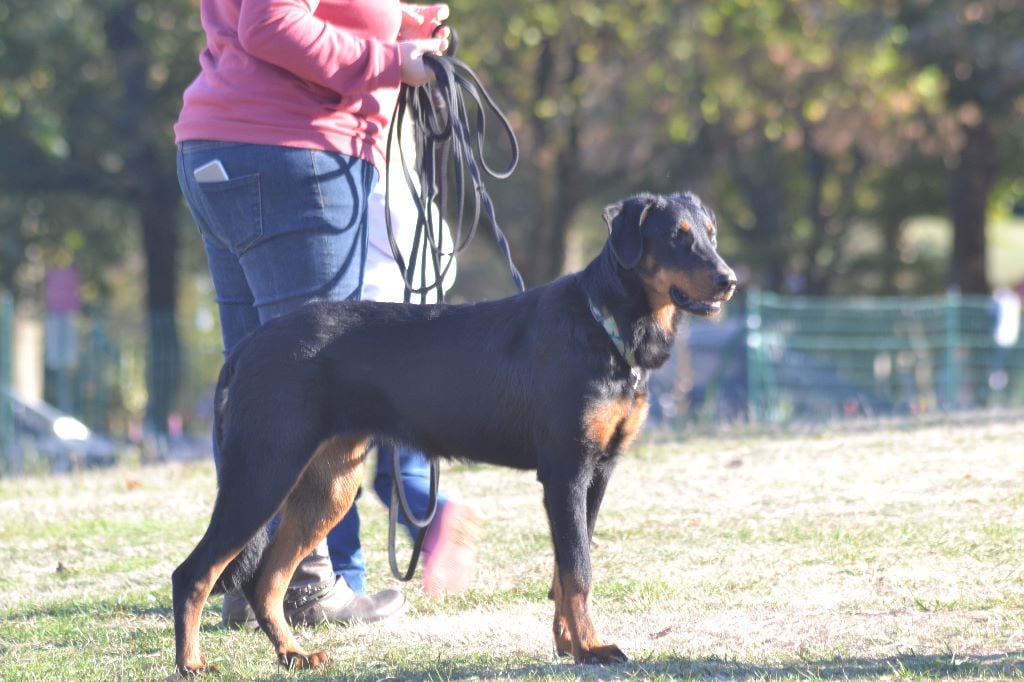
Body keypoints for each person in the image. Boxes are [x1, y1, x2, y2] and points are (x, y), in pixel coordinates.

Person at [174, 0, 451, 626]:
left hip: (226, 142)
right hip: (294, 154)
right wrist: (388, 61)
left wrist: (396, 22)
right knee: (313, 383)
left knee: (256, 379)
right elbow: (270, 23)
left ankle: (247, 581)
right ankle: (302, 582)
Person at [327, 154, 479, 599]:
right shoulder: (411, 185)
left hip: (367, 333)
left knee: (338, 463)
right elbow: (443, 258)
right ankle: (438, 517)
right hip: (420, 336)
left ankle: (344, 574)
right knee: (399, 471)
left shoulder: (360, 176)